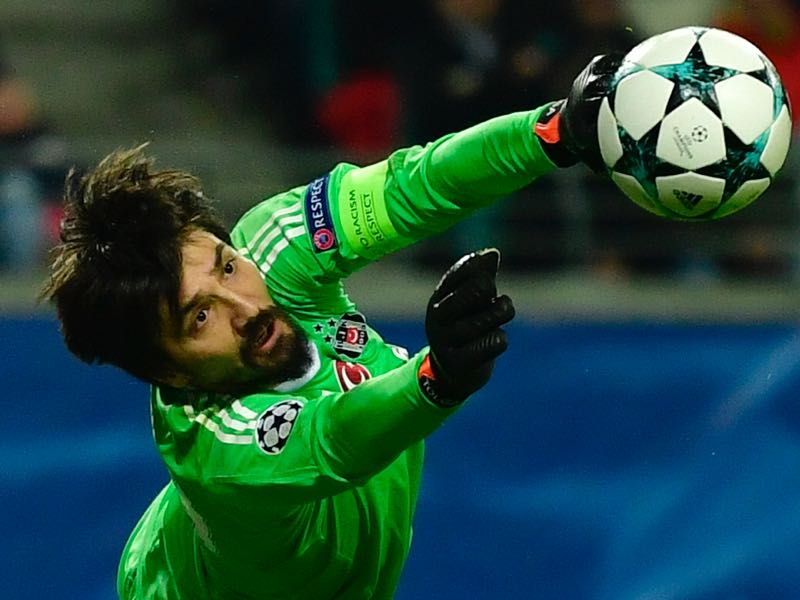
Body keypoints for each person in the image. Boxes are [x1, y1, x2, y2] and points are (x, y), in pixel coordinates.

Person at [41, 54, 618, 599]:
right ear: (168, 370)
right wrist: (435, 378)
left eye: (225, 265)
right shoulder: (222, 452)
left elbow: (410, 187)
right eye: (200, 316)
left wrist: (553, 132)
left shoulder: (273, 246)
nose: (243, 307)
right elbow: (334, 437)